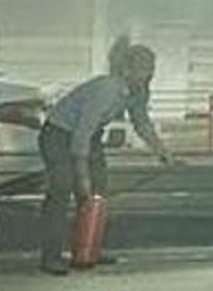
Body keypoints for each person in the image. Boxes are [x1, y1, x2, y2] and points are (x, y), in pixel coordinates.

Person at [37, 38, 176, 275]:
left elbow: (141, 123)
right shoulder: (107, 90)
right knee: (62, 189)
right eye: (143, 70)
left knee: (96, 194)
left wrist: (163, 153)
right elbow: (81, 133)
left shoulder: (138, 92)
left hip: (89, 137)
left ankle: (86, 249)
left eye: (151, 70)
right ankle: (51, 257)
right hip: (59, 134)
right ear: (127, 69)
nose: (147, 75)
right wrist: (82, 176)